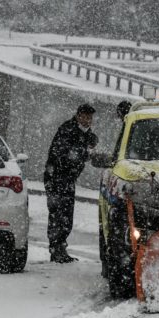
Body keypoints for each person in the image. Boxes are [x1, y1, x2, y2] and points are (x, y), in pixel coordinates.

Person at [44, 104, 98, 263]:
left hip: (68, 179)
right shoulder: (67, 129)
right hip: (56, 178)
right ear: (78, 115)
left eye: (90, 118)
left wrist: (92, 142)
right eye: (85, 117)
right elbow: (65, 154)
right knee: (58, 214)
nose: (88, 120)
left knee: (66, 216)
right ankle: (55, 250)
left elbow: (88, 141)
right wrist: (85, 153)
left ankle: (61, 248)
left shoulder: (83, 132)